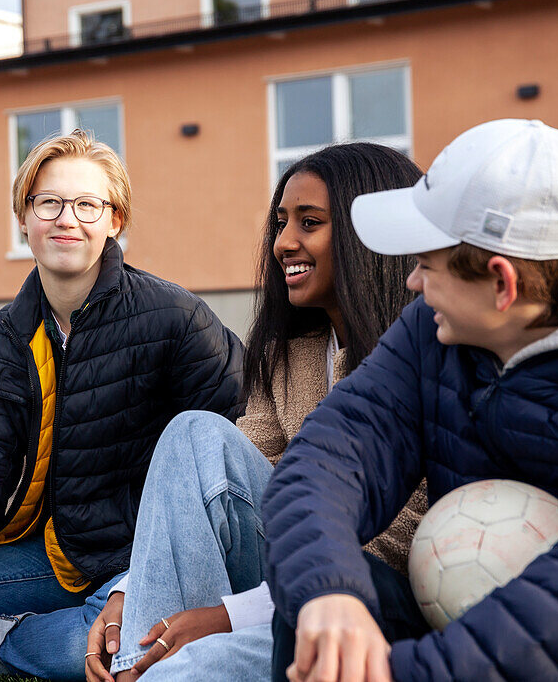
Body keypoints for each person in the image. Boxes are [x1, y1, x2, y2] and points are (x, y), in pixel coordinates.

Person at [0, 130, 245, 682]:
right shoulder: (6, 338)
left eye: (88, 204)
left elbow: (238, 452)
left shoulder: (176, 320)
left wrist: (137, 581)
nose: (68, 218)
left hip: (149, 565)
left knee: (114, 653)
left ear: (115, 220)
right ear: (25, 217)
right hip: (58, 559)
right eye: (49, 202)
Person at [59, 142, 427, 682]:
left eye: (310, 222)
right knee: (194, 436)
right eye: (281, 223)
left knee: (185, 671)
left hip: (364, 611)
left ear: (366, 232)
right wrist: (130, 589)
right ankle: (131, 651)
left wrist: (222, 619)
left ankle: (115, 656)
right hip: (271, 589)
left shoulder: (425, 355)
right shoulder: (287, 354)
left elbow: (393, 548)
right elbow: (231, 490)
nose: (283, 243)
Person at [263, 119, 558, 681]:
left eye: (426, 264)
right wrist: (328, 593)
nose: (411, 283)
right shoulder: (431, 331)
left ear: (502, 284)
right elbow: (325, 461)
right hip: (441, 634)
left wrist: (403, 672)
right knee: (328, 606)